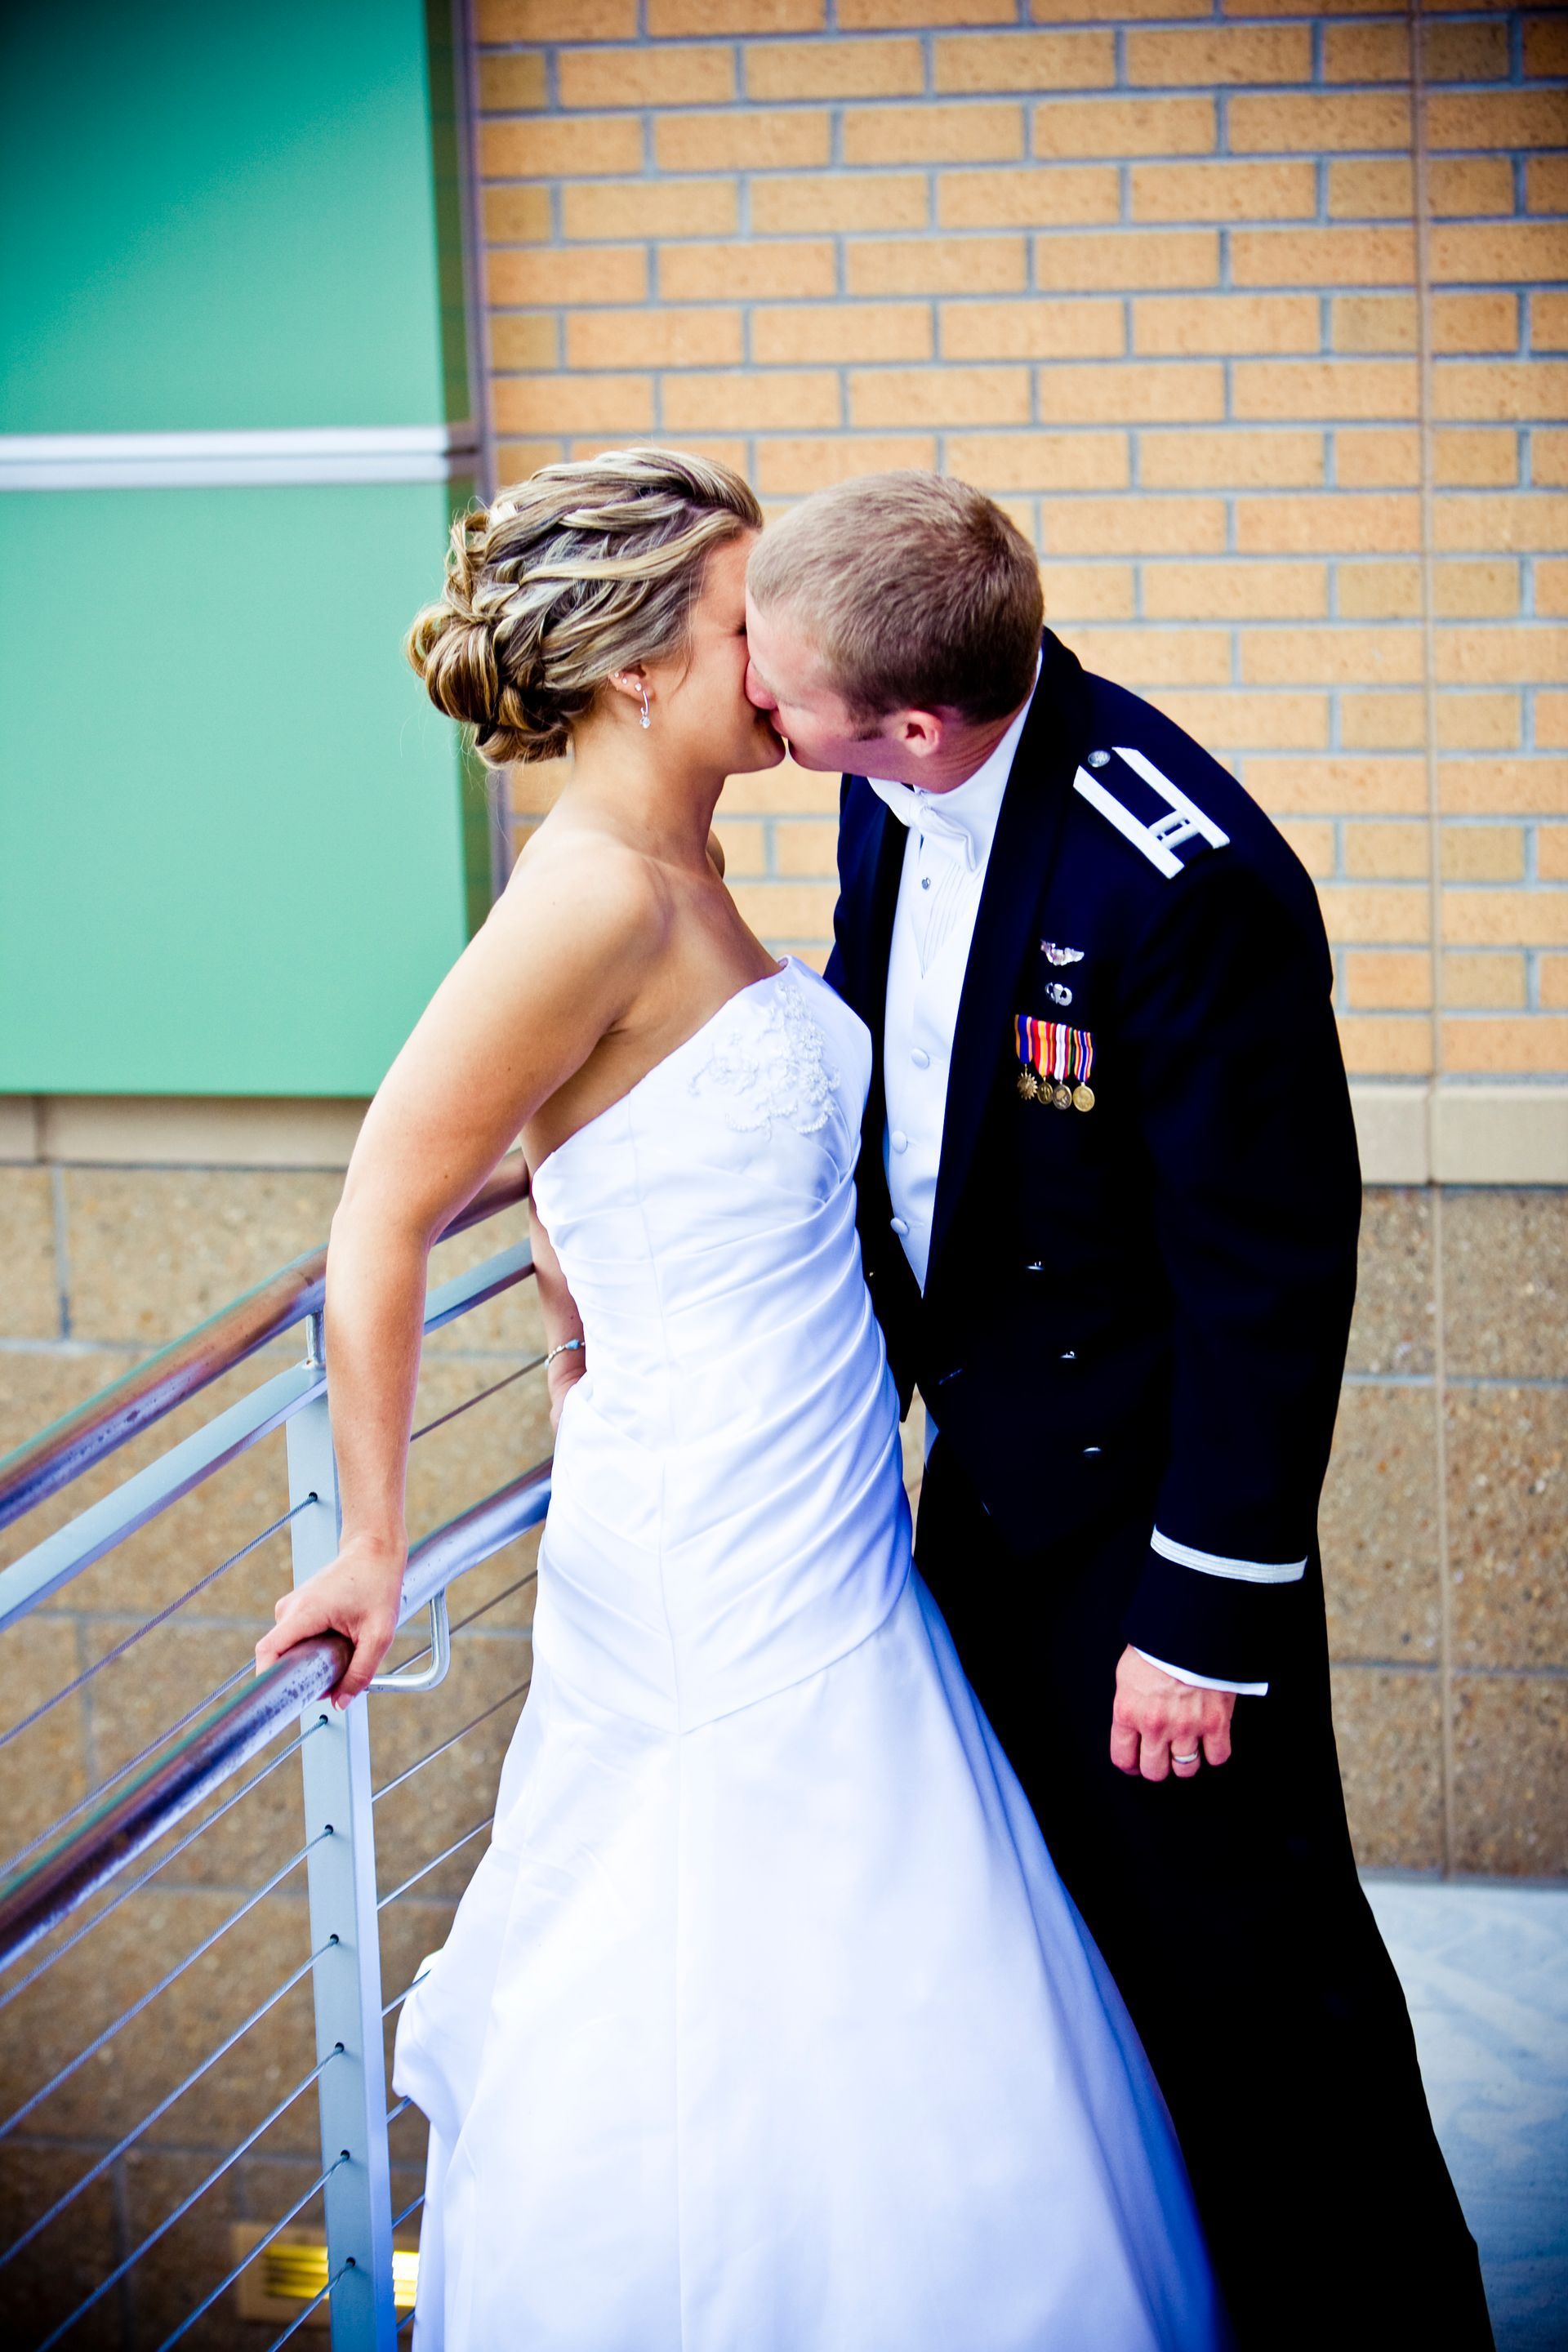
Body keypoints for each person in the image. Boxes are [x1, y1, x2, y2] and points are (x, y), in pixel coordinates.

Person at [255, 448, 1224, 2351]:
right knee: (740, 1940)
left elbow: (626, 1136)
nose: (778, 663)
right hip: (709, 1540)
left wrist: (569, 1258)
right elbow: (381, 1204)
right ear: (635, 671)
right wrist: (371, 1538)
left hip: (819, 1501)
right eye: (735, 630)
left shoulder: (700, 855)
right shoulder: (592, 894)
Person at [743, 470, 1494, 2352]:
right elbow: (907, 1089)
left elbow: (1271, 1281)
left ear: (913, 719)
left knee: (1259, 1996)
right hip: (976, 1491)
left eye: (783, 686)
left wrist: (1203, 1621)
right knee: (1056, 1963)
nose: (756, 701)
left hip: (1148, 1543)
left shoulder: (1187, 883)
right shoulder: (883, 786)